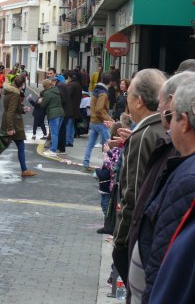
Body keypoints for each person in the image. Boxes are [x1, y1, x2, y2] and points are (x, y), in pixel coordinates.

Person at [127, 72, 195, 304]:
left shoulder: (188, 180)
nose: (167, 124)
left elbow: (163, 254)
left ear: (184, 122)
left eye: (172, 116)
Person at [112, 69, 167, 285]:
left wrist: (120, 240)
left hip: (138, 240)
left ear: (139, 101)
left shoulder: (143, 135)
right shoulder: (162, 128)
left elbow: (133, 195)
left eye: (129, 95)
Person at [1, 75, 37, 178]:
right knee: (20, 147)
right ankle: (24, 170)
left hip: (8, 122)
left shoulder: (9, 91)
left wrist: (23, 109)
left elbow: (13, 108)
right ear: (22, 84)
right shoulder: (15, 94)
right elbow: (11, 111)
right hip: (14, 124)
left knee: (1, 146)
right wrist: (10, 128)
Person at [83, 73, 114, 171]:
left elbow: (95, 108)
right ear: (110, 82)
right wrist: (109, 119)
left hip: (93, 121)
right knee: (108, 146)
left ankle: (85, 165)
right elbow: (100, 109)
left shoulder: (95, 90)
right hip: (100, 122)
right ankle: (107, 167)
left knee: (90, 144)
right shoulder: (103, 93)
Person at [39, 79, 65, 157]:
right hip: (61, 113)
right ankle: (54, 149)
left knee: (54, 133)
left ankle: (53, 150)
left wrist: (41, 100)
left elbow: (43, 105)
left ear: (45, 86)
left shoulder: (47, 93)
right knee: (56, 133)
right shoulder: (56, 90)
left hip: (53, 114)